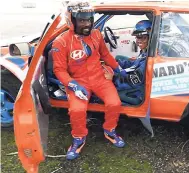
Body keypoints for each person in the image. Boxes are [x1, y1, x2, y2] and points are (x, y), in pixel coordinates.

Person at [50, 1, 127, 160]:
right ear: (72, 20)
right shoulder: (61, 42)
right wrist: (72, 84)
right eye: (82, 20)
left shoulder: (97, 34)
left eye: (89, 20)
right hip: (78, 82)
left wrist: (118, 68)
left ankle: (109, 130)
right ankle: (79, 138)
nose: (87, 24)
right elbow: (59, 70)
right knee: (77, 110)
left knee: (115, 103)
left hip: (99, 78)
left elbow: (105, 55)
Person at [113, 20, 152, 92]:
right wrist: (117, 63)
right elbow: (135, 64)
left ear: (151, 38)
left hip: (135, 90)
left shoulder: (149, 58)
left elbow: (134, 80)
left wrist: (113, 78)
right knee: (117, 58)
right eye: (137, 37)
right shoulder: (145, 51)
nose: (138, 41)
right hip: (130, 77)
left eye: (142, 37)